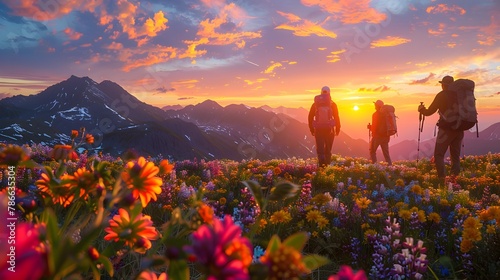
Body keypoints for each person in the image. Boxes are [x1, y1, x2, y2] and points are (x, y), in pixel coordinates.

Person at [418, 75, 463, 184]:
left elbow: (429, 112)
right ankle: (454, 179)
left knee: (439, 154)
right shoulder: (460, 95)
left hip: (446, 130)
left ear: (443, 85)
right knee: (455, 155)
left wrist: (421, 109)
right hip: (460, 129)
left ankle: (442, 179)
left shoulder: (442, 95)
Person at [308, 86, 341, 167]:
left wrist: (311, 129)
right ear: (329, 93)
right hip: (330, 130)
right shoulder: (333, 104)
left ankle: (321, 167)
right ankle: (327, 167)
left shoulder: (315, 104)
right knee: (328, 150)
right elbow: (336, 117)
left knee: (320, 150)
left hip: (318, 130)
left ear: (321, 92)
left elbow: (310, 117)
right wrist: (338, 128)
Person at [368, 100, 392, 165]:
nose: (374, 106)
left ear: (377, 106)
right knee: (386, 153)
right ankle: (390, 167)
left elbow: (375, 127)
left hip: (377, 136)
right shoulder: (386, 114)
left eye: (375, 105)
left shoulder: (375, 114)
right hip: (386, 136)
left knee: (372, 151)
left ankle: (375, 166)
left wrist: (370, 127)